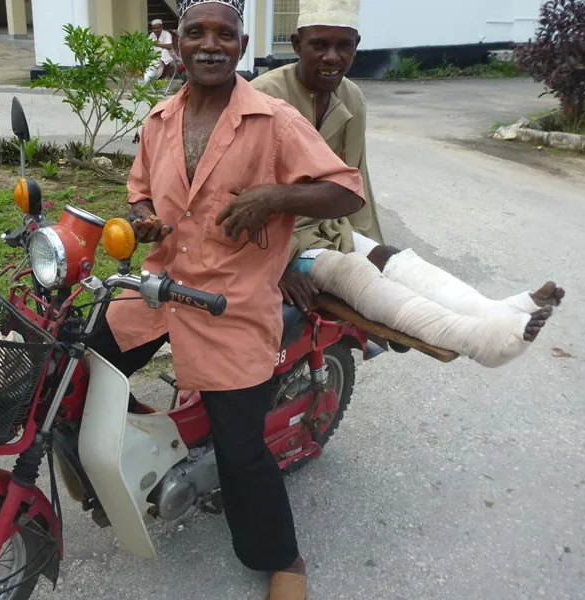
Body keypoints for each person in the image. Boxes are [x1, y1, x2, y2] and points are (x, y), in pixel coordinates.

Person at [87, 1, 368, 597]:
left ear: (242, 48)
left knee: (241, 451)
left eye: (224, 35)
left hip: (232, 303)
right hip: (160, 288)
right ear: (177, 45)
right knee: (85, 366)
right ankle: (146, 452)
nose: (210, 45)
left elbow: (345, 191)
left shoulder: (275, 121)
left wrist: (272, 197)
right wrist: (143, 221)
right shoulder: (160, 119)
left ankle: (284, 561)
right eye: (196, 33)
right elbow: (139, 193)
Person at [250, 0, 564, 364]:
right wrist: (277, 266)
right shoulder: (263, 97)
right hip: (274, 234)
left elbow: (355, 183)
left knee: (392, 259)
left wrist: (371, 248)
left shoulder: (352, 98)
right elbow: (237, 192)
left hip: (325, 224)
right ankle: (478, 339)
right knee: (350, 271)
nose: (332, 57)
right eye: (319, 44)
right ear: (296, 43)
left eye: (344, 46)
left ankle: (495, 311)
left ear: (357, 45)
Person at [141, 19, 176, 85]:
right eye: (154, 28)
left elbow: (170, 46)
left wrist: (157, 44)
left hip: (170, 56)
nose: (156, 30)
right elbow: (149, 45)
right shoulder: (152, 35)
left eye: (158, 28)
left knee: (164, 51)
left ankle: (168, 75)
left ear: (161, 27)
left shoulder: (167, 34)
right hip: (156, 55)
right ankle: (152, 74)